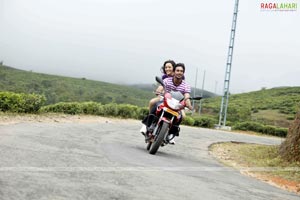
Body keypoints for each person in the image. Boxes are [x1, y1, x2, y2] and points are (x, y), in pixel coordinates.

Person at [141, 63, 193, 144]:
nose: (179, 72)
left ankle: (171, 133)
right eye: (177, 70)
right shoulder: (167, 80)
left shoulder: (186, 85)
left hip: (176, 104)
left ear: (183, 73)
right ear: (174, 71)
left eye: (181, 71)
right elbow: (161, 86)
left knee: (181, 117)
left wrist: (189, 104)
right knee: (155, 105)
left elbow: (187, 96)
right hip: (165, 101)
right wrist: (159, 90)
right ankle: (148, 125)